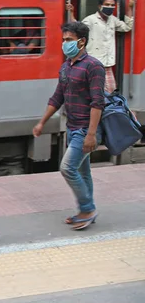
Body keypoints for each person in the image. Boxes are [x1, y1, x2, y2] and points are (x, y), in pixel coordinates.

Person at [33, 22, 105, 230]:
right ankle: (87, 210)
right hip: (73, 128)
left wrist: (91, 134)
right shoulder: (66, 67)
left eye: (69, 40)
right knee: (83, 172)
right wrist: (41, 122)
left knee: (67, 168)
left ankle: (87, 208)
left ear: (81, 42)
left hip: (85, 129)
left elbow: (97, 102)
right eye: (64, 40)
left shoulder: (94, 66)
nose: (65, 44)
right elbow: (58, 97)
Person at [67, 0, 134, 93]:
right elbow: (77, 29)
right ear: (100, 6)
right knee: (96, 92)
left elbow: (127, 27)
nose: (110, 7)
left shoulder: (113, 20)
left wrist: (130, 7)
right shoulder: (91, 20)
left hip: (107, 63)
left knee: (110, 92)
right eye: (107, 4)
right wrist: (71, 13)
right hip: (94, 62)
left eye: (112, 5)